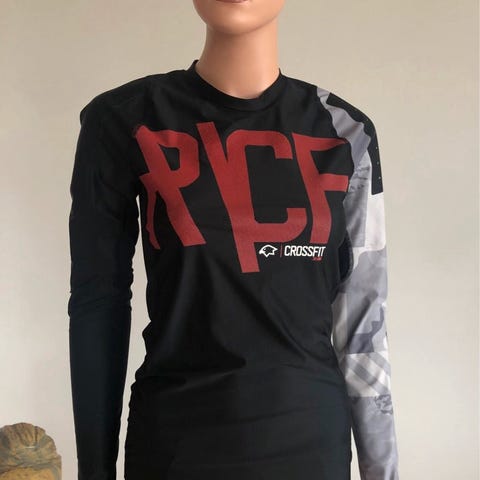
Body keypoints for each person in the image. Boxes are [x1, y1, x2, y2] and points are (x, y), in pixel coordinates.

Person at [67, 0, 400, 479]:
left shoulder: (346, 131)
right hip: (176, 447)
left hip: (310, 448)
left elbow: (365, 316)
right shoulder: (124, 119)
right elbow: (98, 301)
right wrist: (94, 470)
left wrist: (381, 471)